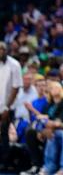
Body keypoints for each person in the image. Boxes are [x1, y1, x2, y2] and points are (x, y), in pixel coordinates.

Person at [0, 41, 23, 170]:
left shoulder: (14, 64)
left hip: (8, 107)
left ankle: (6, 162)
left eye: (2, 49)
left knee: (4, 134)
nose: (0, 51)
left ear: (7, 50)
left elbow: (16, 88)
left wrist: (7, 108)